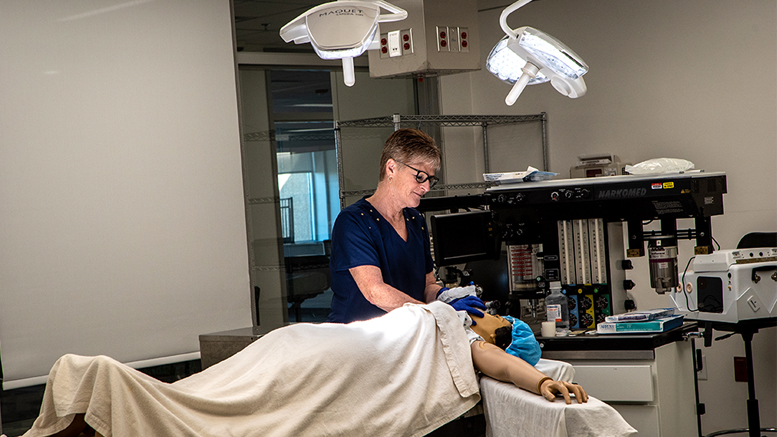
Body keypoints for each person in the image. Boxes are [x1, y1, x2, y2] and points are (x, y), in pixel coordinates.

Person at [20, 302, 586, 437]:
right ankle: (114, 399)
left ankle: (107, 401)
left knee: (230, 410)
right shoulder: (434, 315)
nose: (488, 316)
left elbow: (504, 367)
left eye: (497, 323)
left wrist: (539, 379)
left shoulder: (461, 338)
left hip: (331, 362)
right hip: (306, 346)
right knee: (212, 392)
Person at [326, 128, 485, 323]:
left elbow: (427, 286)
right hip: (358, 339)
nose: (426, 187)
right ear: (391, 168)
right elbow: (375, 292)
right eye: (419, 177)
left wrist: (446, 297)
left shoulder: (415, 221)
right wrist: (434, 313)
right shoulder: (354, 221)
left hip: (406, 333)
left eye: (430, 180)